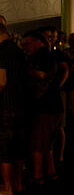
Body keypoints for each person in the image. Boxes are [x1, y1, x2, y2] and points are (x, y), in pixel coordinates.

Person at [0, 23, 28, 195]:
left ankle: (6, 188)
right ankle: (18, 183)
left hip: (7, 105)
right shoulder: (19, 50)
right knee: (19, 147)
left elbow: (2, 80)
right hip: (23, 104)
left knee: (4, 148)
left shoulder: (1, 51)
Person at [22, 30, 63, 185]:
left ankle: (38, 176)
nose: (25, 47)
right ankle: (51, 172)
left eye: (28, 44)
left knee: (37, 143)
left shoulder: (42, 56)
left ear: (39, 42)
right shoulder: (49, 56)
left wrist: (26, 70)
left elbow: (42, 75)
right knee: (47, 144)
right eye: (23, 45)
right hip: (54, 106)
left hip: (45, 107)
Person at [40, 27, 70, 167]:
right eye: (46, 36)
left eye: (51, 37)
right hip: (48, 93)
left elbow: (65, 70)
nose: (49, 39)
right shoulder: (44, 54)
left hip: (57, 93)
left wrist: (58, 86)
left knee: (60, 125)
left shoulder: (57, 54)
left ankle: (60, 155)